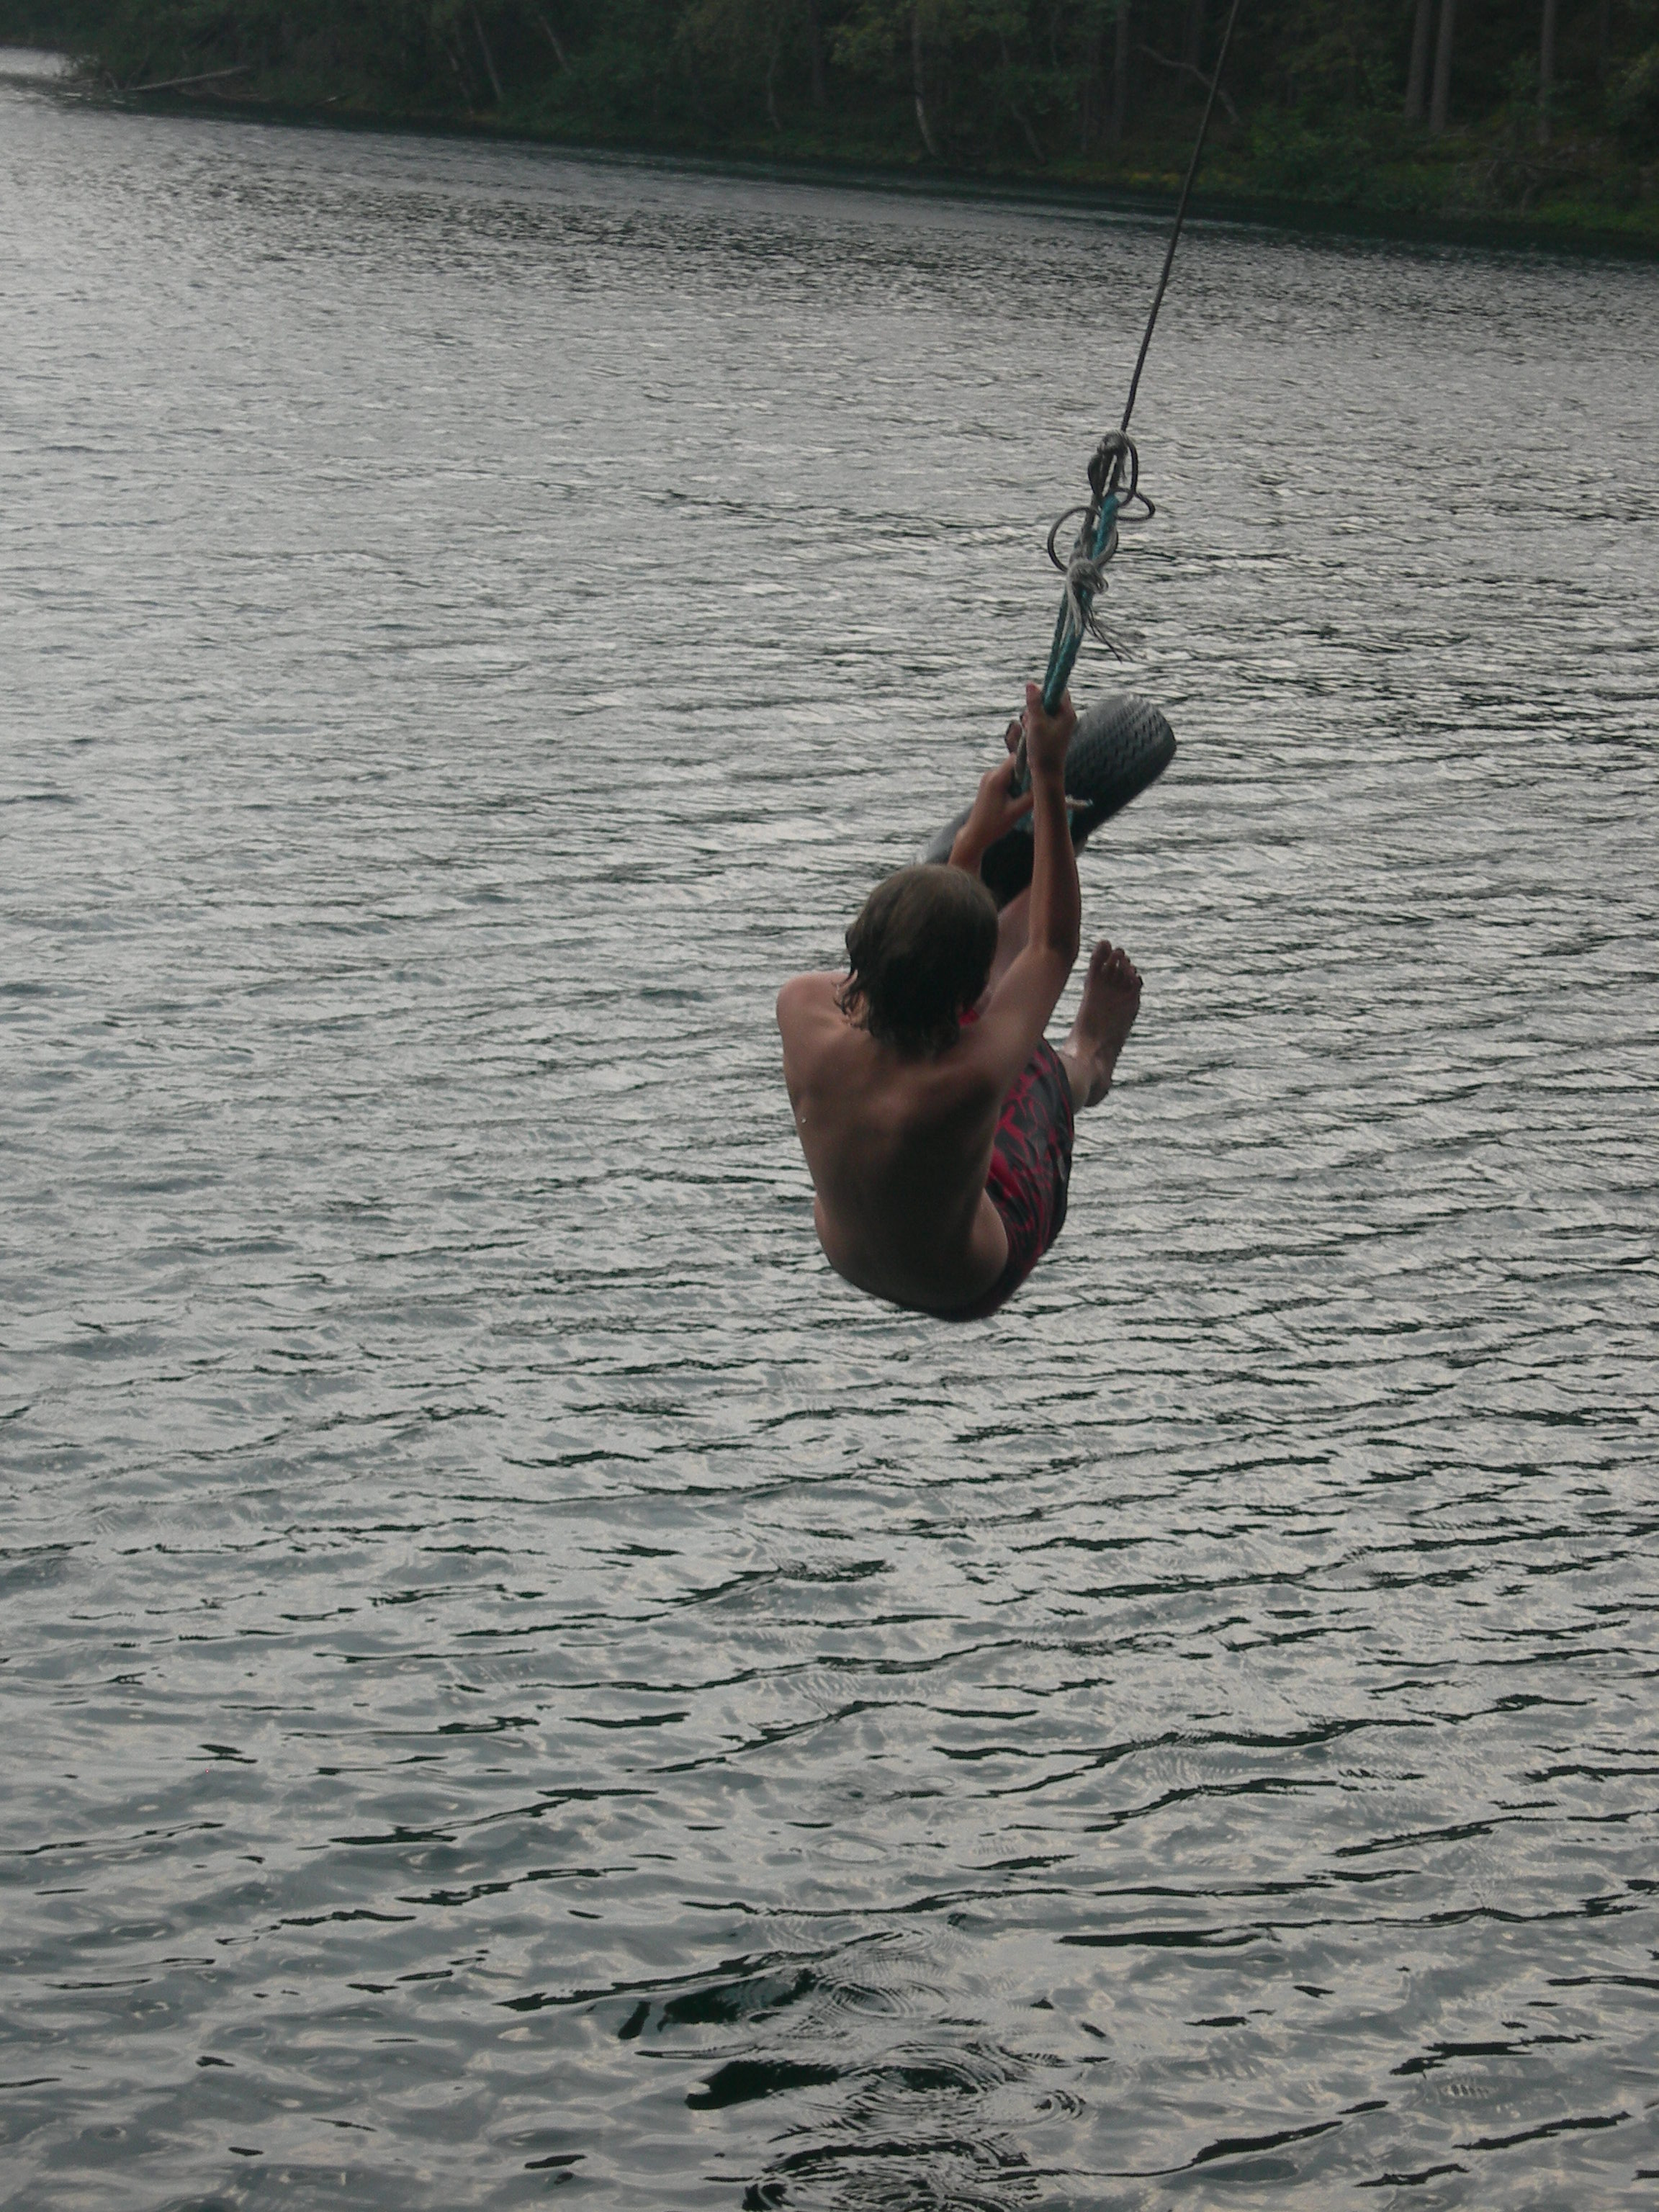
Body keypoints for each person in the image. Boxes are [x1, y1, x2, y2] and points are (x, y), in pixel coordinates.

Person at [776, 680, 1143, 1319]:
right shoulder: (968, 1080)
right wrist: (1051, 783)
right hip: (968, 1276)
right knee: (1037, 1073)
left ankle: (1026, 886)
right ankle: (1088, 1062)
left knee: (982, 999)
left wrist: (975, 840)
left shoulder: (801, 1005)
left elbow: (978, 969)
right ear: (968, 999)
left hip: (850, 1246)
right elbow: (1052, 947)